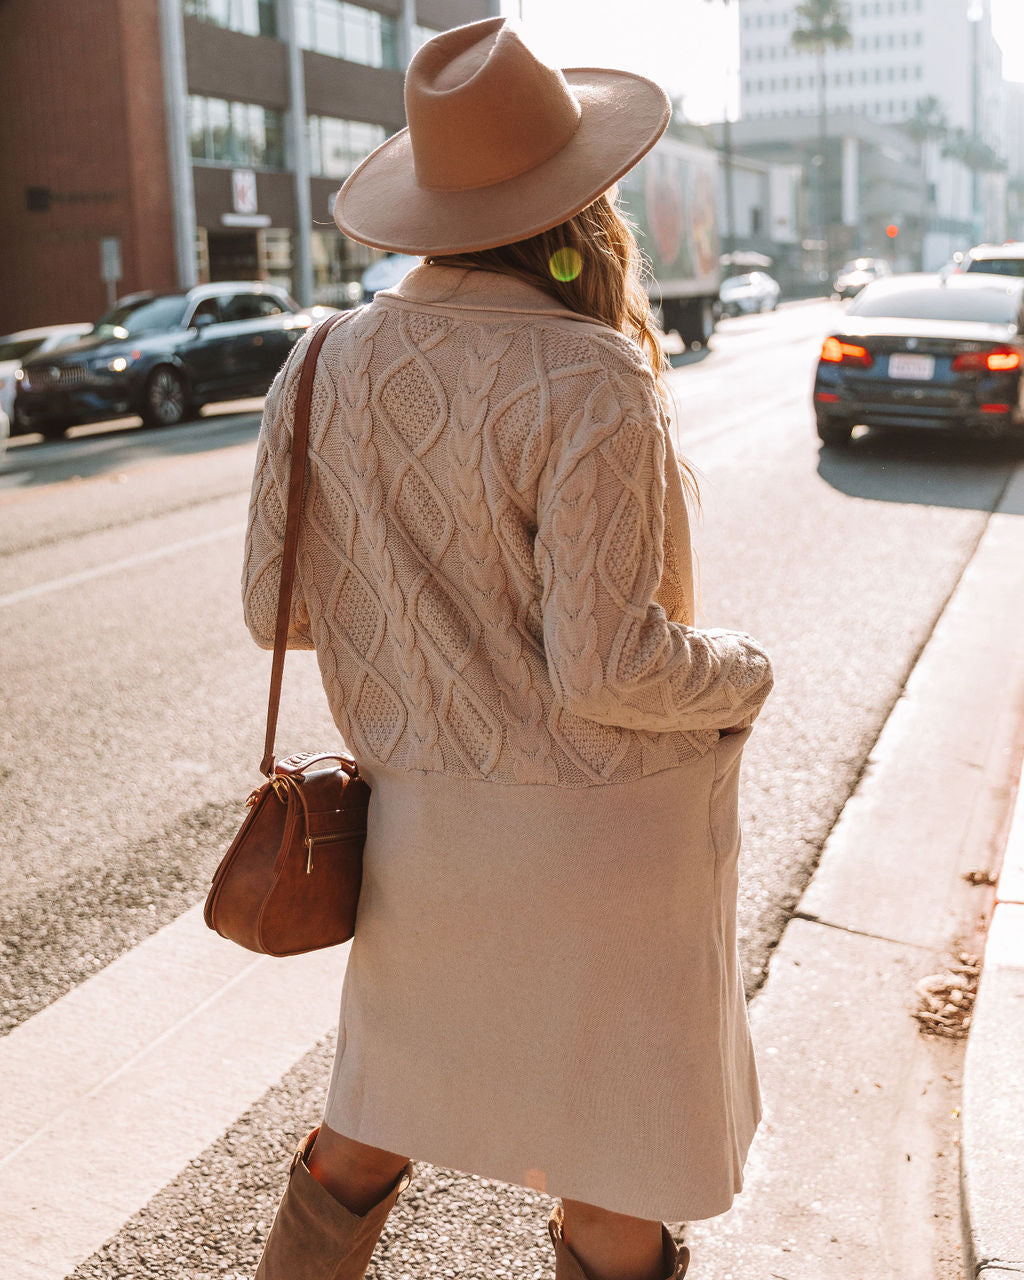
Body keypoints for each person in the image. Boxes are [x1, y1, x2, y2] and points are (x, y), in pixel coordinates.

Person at [241, 17, 773, 1280]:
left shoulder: (315, 363)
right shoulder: (591, 373)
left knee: (358, 1147)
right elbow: (608, 668)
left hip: (421, 845)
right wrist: (745, 667)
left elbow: (277, 612)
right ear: (580, 206)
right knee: (614, 1186)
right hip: (602, 856)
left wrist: (411, 625)